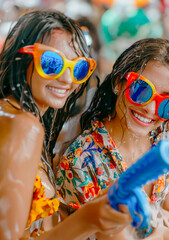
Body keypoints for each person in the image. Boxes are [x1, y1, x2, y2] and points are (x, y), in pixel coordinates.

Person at [0, 10, 136, 240]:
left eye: (79, 68)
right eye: (52, 63)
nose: (67, 79)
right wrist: (88, 219)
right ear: (21, 57)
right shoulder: (25, 127)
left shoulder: (11, 114)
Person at [56, 38, 169, 239]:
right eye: (141, 90)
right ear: (119, 83)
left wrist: (166, 226)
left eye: (166, 103)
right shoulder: (82, 160)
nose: (150, 109)